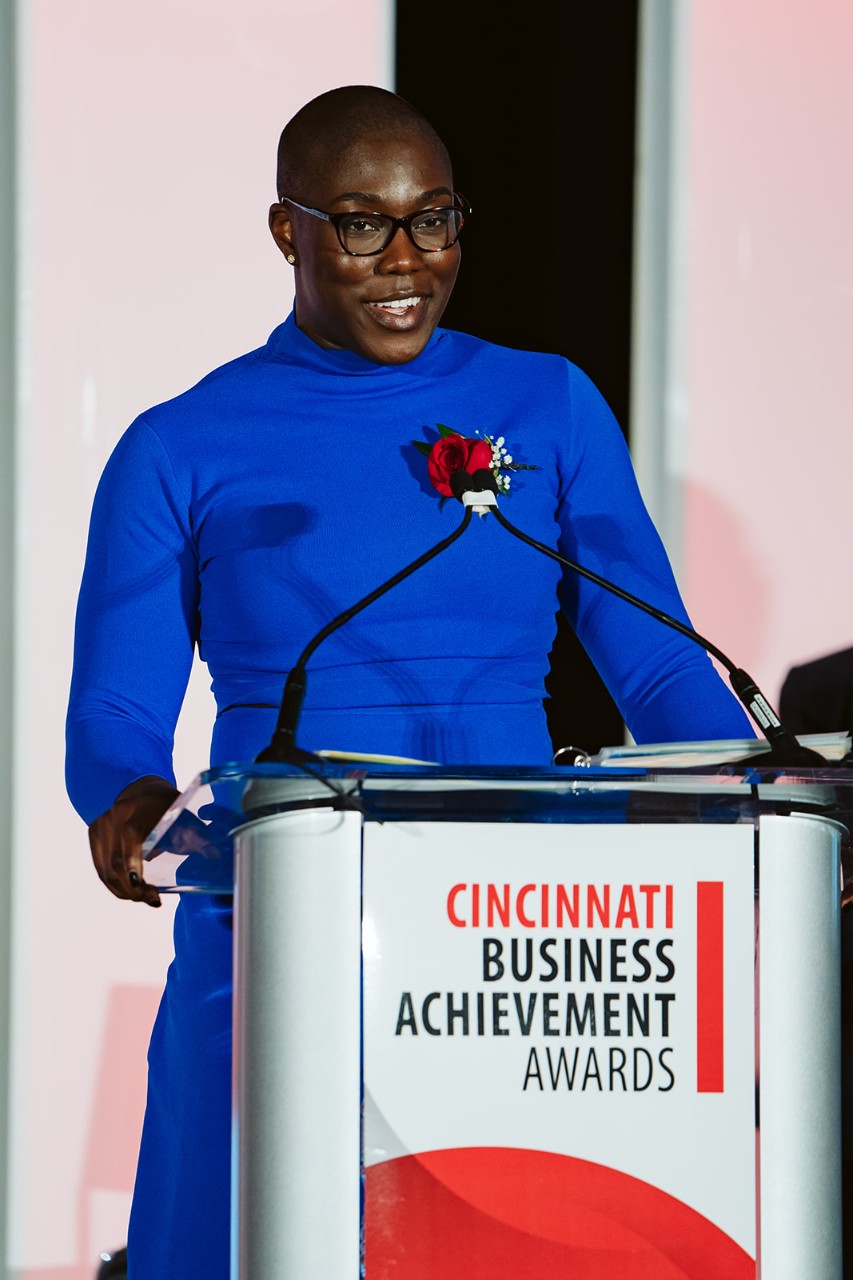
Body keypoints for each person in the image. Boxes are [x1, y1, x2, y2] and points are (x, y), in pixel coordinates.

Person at [66, 85, 753, 1278]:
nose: (406, 259)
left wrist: (759, 805)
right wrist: (127, 799)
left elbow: (651, 658)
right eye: (360, 223)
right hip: (279, 919)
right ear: (285, 230)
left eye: (432, 219)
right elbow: (117, 709)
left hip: (511, 932)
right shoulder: (178, 444)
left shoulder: (546, 403)